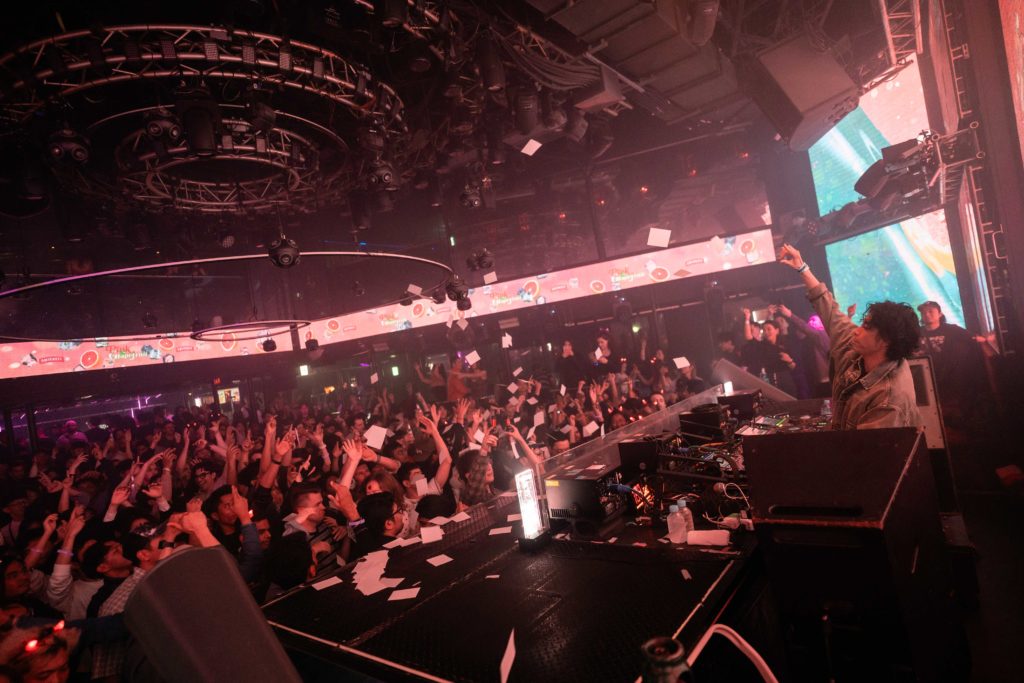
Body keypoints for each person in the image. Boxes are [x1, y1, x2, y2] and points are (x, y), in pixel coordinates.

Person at [779, 244, 921, 429]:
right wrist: (802, 267)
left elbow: (861, 446)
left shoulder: (889, 399)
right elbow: (829, 309)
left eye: (866, 327)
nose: (856, 330)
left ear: (885, 341)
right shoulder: (858, 349)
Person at [915, 300, 988, 428]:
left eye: (931, 311)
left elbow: (973, 338)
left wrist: (987, 339)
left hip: (949, 378)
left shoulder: (951, 329)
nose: (927, 314)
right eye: (924, 312)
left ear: (940, 314)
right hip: (925, 378)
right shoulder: (916, 333)